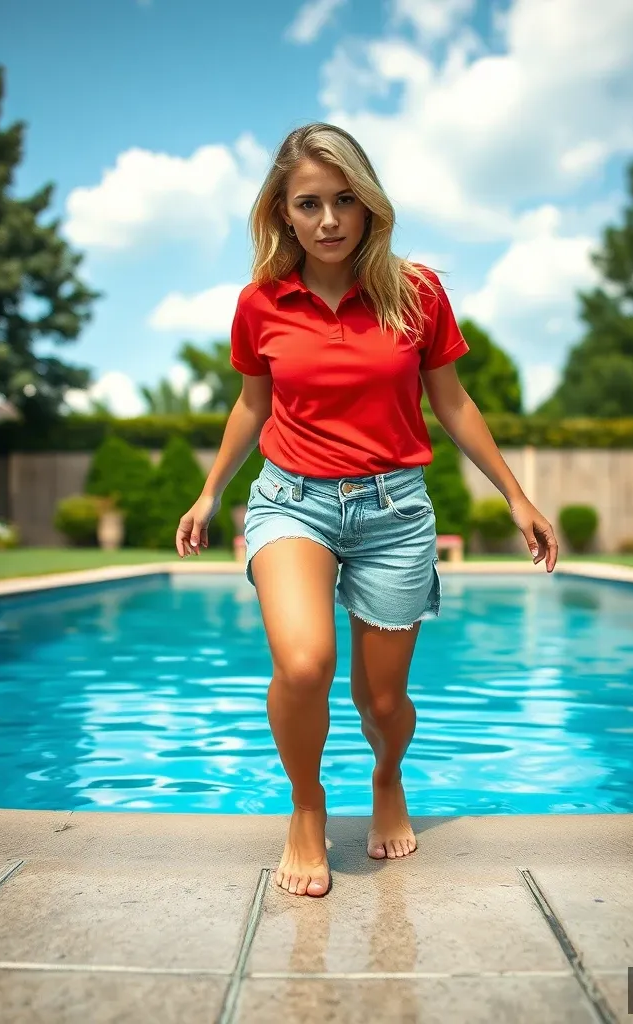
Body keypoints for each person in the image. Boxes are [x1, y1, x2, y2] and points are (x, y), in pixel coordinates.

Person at [176, 122, 559, 898]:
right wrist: (211, 489)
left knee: (381, 701)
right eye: (309, 203)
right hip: (292, 501)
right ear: (282, 212)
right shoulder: (260, 303)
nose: (327, 220)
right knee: (305, 662)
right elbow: (252, 406)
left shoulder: (416, 292)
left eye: (344, 199)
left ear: (369, 203)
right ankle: (307, 804)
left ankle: (388, 776)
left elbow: (451, 402)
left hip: (394, 510)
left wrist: (515, 494)